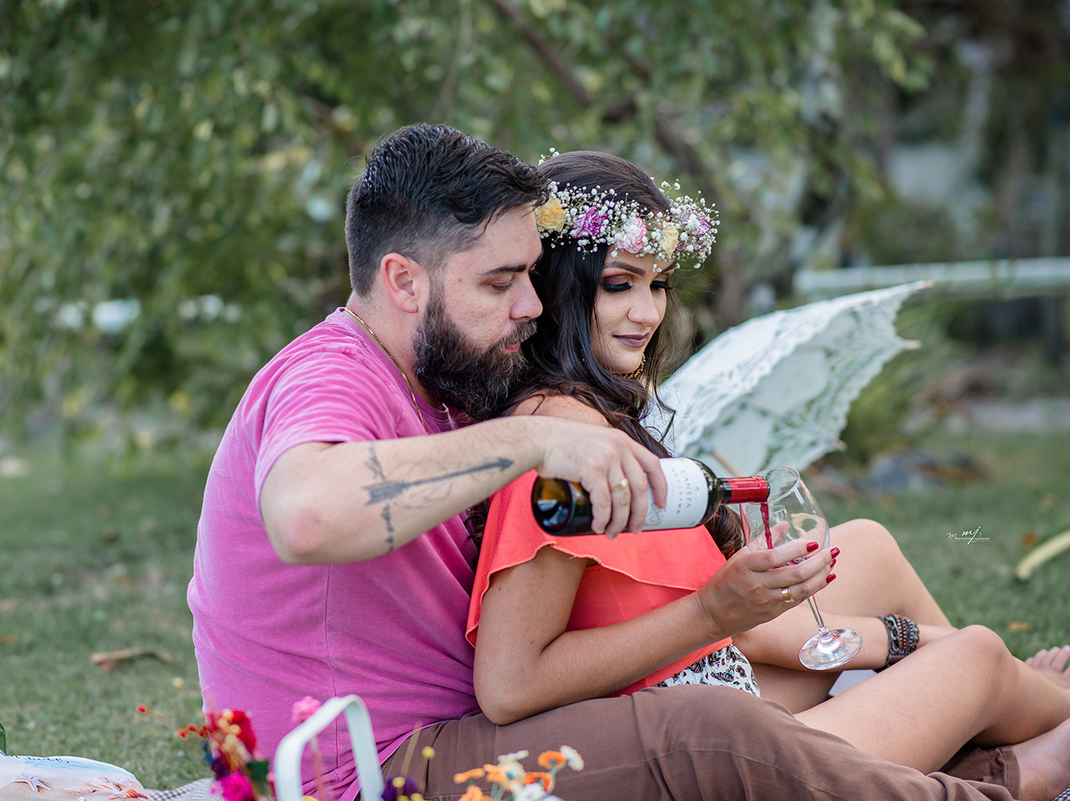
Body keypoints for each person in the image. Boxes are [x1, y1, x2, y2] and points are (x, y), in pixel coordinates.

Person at [188, 122, 1062, 801]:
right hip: (371, 769)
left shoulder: (454, 376)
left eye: (535, 276)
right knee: (708, 727)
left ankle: (1000, 718)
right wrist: (535, 440)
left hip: (468, 723)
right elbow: (308, 513)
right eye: (500, 282)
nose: (533, 306)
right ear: (404, 281)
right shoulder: (330, 375)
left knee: (846, 591)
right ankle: (1014, 776)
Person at [465, 149, 1070, 800]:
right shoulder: (563, 442)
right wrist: (911, 642)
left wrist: (886, 638)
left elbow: (738, 627)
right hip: (697, 734)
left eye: (658, 284)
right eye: (619, 284)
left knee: (869, 548)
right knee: (976, 656)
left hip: (717, 670)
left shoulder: (594, 413)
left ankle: (984, 716)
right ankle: (1027, 742)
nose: (647, 313)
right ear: (555, 286)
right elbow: (509, 685)